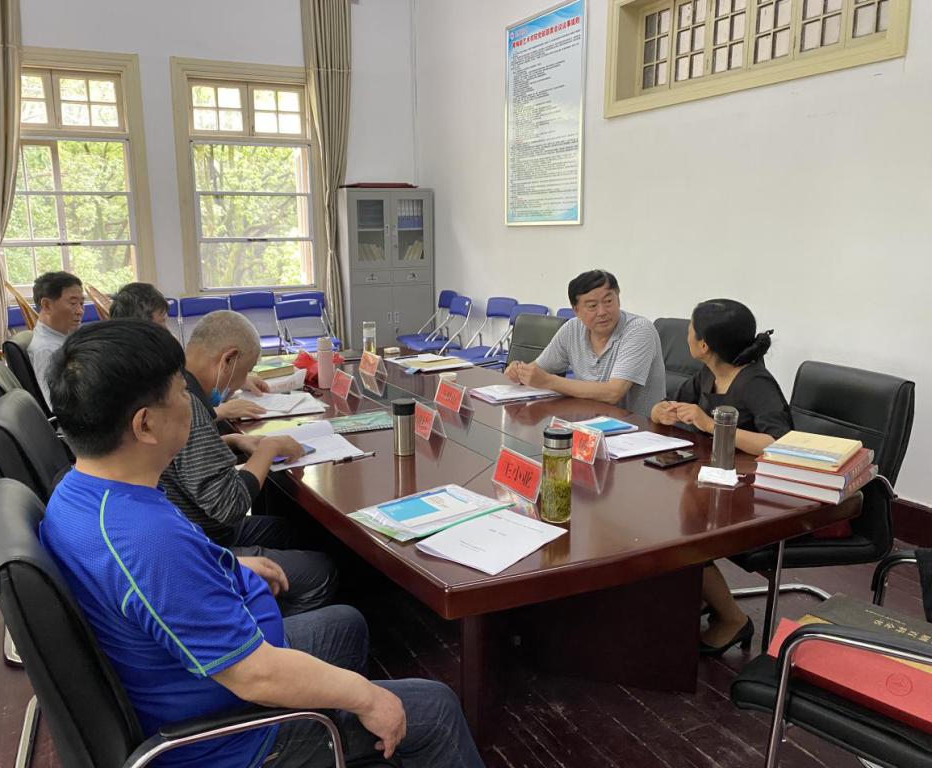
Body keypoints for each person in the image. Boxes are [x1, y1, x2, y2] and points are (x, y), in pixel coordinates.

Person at [40, 320, 483, 768]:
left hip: (203, 677)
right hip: (231, 740)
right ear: (145, 424)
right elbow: (255, 676)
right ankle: (334, 733)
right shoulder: (143, 540)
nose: (192, 403)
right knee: (435, 709)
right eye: (180, 393)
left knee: (347, 624)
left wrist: (229, 566)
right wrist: (368, 699)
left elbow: (153, 591)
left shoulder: (79, 493)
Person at [160, 310, 336, 615]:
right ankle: (275, 629)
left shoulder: (179, 389)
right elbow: (229, 505)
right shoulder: (188, 405)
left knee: (290, 530)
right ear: (228, 360)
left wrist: (231, 440)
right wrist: (267, 449)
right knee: (323, 572)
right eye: (245, 371)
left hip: (202, 528)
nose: (241, 382)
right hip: (206, 540)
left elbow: (183, 460)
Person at [650, 298, 793, 656]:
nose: (686, 334)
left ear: (704, 346)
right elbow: (671, 404)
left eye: (690, 330)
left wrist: (711, 425)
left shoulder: (755, 382)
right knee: (667, 521)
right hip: (716, 480)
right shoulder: (708, 375)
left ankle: (733, 619)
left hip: (755, 494)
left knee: (682, 538)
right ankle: (700, 595)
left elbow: (780, 442)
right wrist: (661, 411)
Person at [504, 270, 665, 417]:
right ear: (576, 310)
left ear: (618, 299)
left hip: (637, 428)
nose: (602, 312)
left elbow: (613, 392)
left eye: (608, 301)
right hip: (591, 425)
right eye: (592, 306)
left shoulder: (638, 330)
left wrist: (548, 381)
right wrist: (520, 372)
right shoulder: (572, 329)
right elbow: (538, 370)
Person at [109, 283, 270, 422]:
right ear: (141, 329)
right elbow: (172, 420)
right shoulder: (145, 376)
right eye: (162, 322)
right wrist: (219, 412)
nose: (168, 332)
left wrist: (234, 379)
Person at [28, 271, 84, 407]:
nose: (80, 311)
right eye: (73, 303)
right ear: (47, 305)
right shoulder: (47, 350)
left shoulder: (63, 337)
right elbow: (58, 406)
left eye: (82, 303)